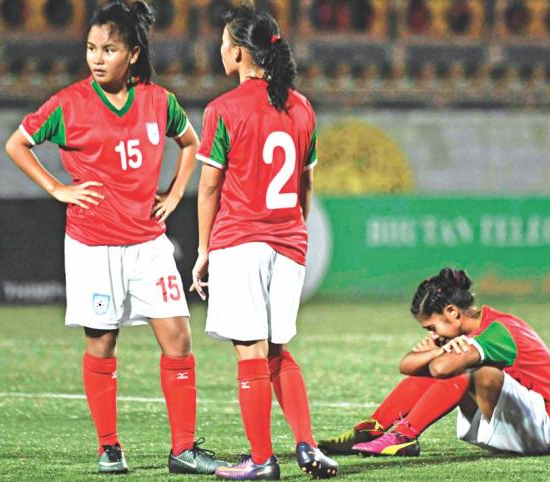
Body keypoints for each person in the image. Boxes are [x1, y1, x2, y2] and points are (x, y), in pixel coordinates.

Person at [3, 0, 226, 475]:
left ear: (132, 53)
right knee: (102, 344)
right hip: (93, 244)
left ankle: (183, 450)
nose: (97, 57)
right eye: (90, 48)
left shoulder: (158, 101)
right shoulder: (68, 104)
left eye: (108, 49)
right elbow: (17, 143)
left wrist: (175, 191)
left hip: (148, 244)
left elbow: (190, 142)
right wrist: (57, 188)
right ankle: (109, 446)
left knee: (179, 340)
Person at [190, 3, 339, 480]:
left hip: (241, 241)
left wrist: (203, 251)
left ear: (237, 53)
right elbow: (305, 186)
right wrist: (293, 230)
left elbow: (210, 187)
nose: (220, 49)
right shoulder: (302, 107)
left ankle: (261, 461)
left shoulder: (222, 110)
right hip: (289, 243)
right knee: (278, 350)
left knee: (251, 353)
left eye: (224, 42)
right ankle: (308, 447)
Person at [319, 268, 550, 458]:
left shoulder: (498, 330)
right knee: (457, 366)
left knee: (466, 368)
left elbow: (442, 369)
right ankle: (372, 430)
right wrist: (436, 351)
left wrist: (439, 355)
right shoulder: (466, 333)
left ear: (452, 312)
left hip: (548, 428)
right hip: (517, 423)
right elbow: (407, 365)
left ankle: (404, 436)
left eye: (432, 327)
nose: (432, 336)